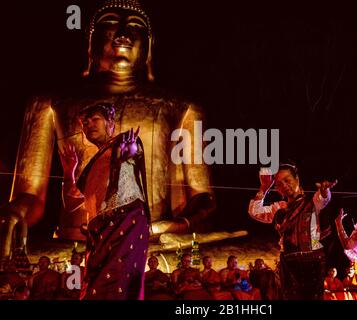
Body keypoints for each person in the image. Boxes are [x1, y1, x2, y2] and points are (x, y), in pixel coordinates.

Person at [0, 0, 215, 261]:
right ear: (90, 43)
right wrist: (15, 213)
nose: (123, 34)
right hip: (77, 242)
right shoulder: (51, 103)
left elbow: (202, 198)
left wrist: (170, 226)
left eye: (135, 26)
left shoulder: (181, 108)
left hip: (153, 242)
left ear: (149, 49)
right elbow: (29, 195)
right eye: (110, 23)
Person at [59, 102, 150, 300]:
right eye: (84, 123)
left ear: (111, 123)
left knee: (117, 286)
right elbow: (71, 202)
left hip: (125, 222)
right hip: (97, 232)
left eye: (95, 120)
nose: (88, 125)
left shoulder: (121, 142)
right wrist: (69, 173)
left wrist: (130, 150)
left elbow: (132, 151)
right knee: (93, 288)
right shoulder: (91, 166)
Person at [248, 163, 337, 299]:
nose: (284, 185)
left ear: (297, 179)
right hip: (288, 264)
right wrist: (264, 188)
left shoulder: (312, 202)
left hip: (311, 263)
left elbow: (323, 199)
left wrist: (325, 191)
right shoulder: (279, 208)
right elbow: (254, 211)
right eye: (279, 184)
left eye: (287, 180)